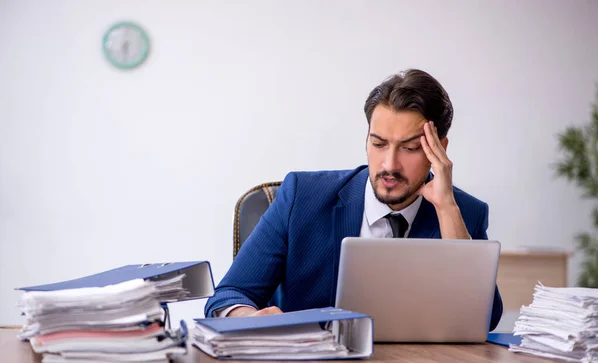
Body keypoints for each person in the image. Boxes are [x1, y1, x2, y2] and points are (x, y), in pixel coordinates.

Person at [204, 68, 503, 331]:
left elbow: (484, 318)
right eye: (378, 143)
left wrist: (447, 208)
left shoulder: (462, 213)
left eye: (410, 148)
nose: (389, 165)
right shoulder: (302, 197)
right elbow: (229, 295)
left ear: (438, 149)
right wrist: (249, 317)